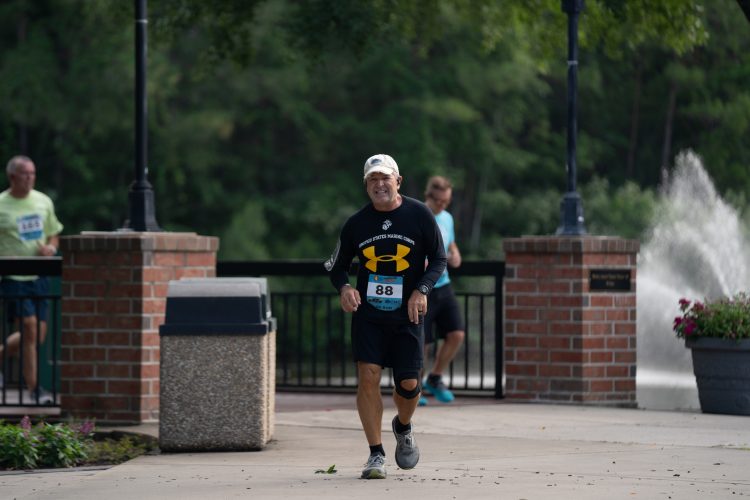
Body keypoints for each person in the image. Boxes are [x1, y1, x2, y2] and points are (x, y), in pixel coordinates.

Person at [325, 154, 446, 479]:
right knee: (368, 376)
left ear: (398, 181)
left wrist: (421, 289)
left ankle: (403, 426)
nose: (379, 185)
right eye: (373, 180)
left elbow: (439, 258)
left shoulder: (419, 214)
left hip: (408, 313)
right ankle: (375, 453)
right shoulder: (356, 223)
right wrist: (344, 288)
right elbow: (335, 266)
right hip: (369, 314)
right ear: (366, 186)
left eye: (385, 178)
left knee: (409, 384)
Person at [0, 155, 63, 404]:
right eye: (25, 173)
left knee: (37, 336)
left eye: (33, 173)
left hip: (40, 275)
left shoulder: (43, 201)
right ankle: (36, 390)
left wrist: (51, 248)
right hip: (13, 276)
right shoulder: (1, 204)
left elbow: (54, 234)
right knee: (29, 327)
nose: (30, 178)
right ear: (12, 176)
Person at [419, 176, 465, 406]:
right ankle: (413, 388)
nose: (443, 206)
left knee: (456, 334)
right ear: (429, 196)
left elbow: (451, 243)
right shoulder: (418, 215)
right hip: (422, 288)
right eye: (439, 201)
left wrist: (455, 254)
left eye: (447, 201)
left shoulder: (447, 217)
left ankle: (435, 378)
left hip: (444, 285)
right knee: (422, 342)